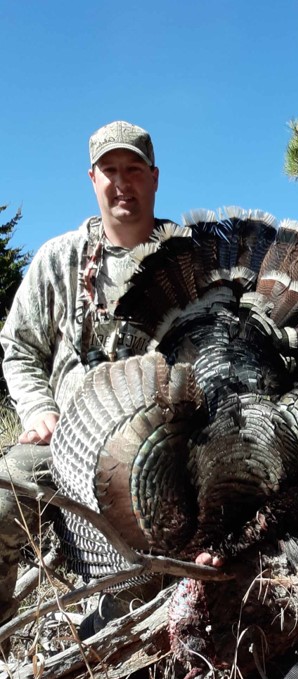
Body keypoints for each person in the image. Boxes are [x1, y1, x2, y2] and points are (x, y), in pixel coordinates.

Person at [0, 121, 175, 626]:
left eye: (134, 170)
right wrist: (39, 409)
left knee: (135, 622)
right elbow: (18, 345)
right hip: (61, 445)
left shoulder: (187, 258)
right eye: (110, 170)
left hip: (157, 455)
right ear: (93, 179)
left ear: (154, 177)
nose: (123, 182)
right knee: (4, 489)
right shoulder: (59, 258)